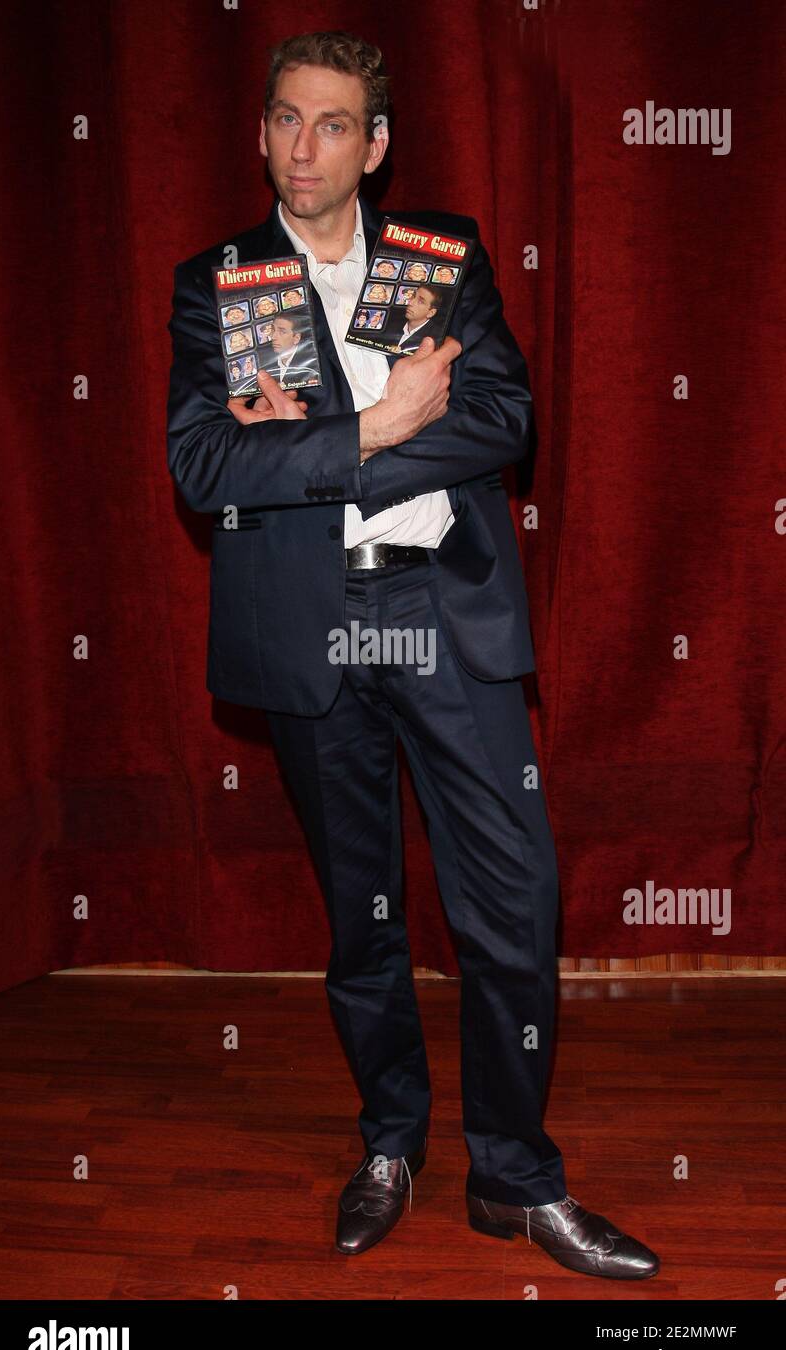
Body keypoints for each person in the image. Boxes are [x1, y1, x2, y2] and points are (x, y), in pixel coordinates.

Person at [166, 29, 659, 1280]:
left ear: (374, 145)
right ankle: (389, 1140)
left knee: (514, 900)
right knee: (363, 917)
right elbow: (205, 464)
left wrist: (323, 450)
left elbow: (502, 416)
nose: (302, 144)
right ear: (262, 130)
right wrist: (372, 423)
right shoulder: (216, 284)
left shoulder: (442, 257)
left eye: (332, 124)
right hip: (308, 630)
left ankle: (517, 1176)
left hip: (441, 614)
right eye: (284, 118)